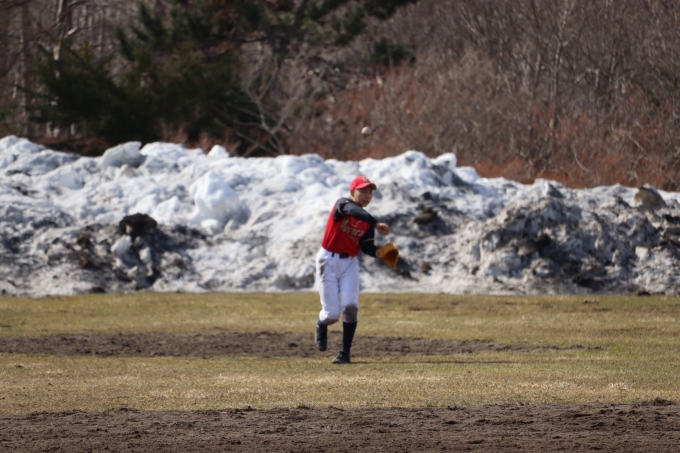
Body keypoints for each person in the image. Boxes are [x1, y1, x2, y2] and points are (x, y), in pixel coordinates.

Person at [315, 175, 391, 364]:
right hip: (328, 261)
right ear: (352, 192)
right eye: (362, 191)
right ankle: (321, 323)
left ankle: (345, 353)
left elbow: (366, 246)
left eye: (370, 192)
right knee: (332, 315)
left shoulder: (366, 220)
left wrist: (381, 253)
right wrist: (375, 223)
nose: (367, 195)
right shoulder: (342, 205)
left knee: (351, 307)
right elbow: (353, 211)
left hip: (349, 263)